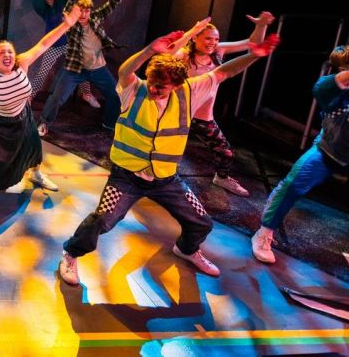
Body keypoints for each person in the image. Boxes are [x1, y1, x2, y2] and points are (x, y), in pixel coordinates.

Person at [57, 29, 280, 286]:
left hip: (166, 179)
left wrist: (253, 55)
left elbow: (224, 72)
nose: (154, 88)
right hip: (126, 177)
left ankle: (186, 249)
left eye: (162, 86)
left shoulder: (189, 92)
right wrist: (150, 50)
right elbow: (125, 71)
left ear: (176, 85)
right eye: (153, 81)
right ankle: (71, 253)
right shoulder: (134, 89)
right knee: (101, 221)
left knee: (201, 222)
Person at [0, 7, 82, 225]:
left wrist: (67, 24)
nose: (7, 55)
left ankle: (35, 174)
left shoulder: (22, 63)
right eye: (2, 53)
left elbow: (44, 44)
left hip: (22, 116)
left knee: (33, 146)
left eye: (10, 51)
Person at [252, 44, 349, 264]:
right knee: (292, 184)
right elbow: (321, 89)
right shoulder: (336, 91)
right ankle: (263, 233)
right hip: (328, 151)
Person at [169, 11, 276, 197]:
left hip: (203, 117)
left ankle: (221, 178)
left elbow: (253, 44)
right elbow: (168, 53)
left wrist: (261, 25)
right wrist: (192, 30)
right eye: (208, 38)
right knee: (170, 151)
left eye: (216, 39)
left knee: (225, 152)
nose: (213, 42)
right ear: (195, 38)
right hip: (179, 115)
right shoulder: (184, 55)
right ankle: (160, 180)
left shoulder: (218, 51)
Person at [38, 0, 122, 136]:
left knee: (115, 95)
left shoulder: (96, 18)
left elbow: (115, 1)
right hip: (74, 69)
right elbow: (69, 5)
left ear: (90, 11)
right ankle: (44, 122)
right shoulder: (71, 23)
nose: (83, 14)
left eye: (86, 11)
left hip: (97, 68)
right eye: (80, 11)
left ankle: (109, 124)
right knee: (57, 97)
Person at [30, 0, 96, 106]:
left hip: (68, 43)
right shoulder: (44, 9)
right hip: (54, 46)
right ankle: (30, 95)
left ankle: (87, 94)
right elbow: (36, 3)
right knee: (43, 71)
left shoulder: (61, 3)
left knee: (81, 65)